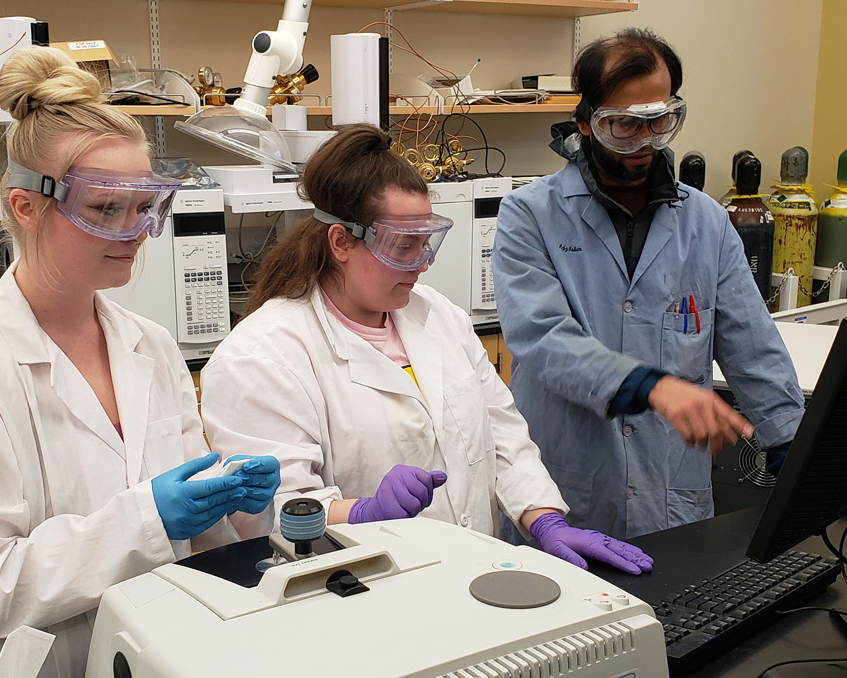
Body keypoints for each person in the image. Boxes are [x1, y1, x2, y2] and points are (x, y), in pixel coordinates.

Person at [0, 47, 280, 678]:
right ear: (26, 206)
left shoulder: (150, 346)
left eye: (145, 205)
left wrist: (240, 503)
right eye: (106, 208)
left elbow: (196, 531)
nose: (135, 231)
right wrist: (144, 520)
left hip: (164, 652)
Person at [200, 123, 653, 579]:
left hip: (477, 576)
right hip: (360, 599)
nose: (423, 262)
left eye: (428, 241)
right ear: (341, 242)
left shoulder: (438, 315)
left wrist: (543, 518)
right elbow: (272, 511)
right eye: (403, 246)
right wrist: (363, 513)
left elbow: (502, 436)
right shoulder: (261, 355)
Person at [491, 28, 805, 540]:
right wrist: (650, 386)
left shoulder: (706, 221)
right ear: (585, 123)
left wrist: (793, 449)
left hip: (669, 495)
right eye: (623, 125)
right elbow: (543, 340)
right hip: (563, 493)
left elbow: (752, 344)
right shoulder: (530, 214)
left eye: (659, 121)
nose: (644, 142)